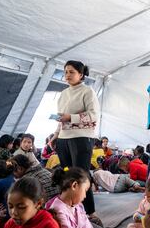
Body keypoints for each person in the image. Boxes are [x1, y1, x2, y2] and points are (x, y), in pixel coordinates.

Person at [51, 60, 100, 219]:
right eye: (65, 72)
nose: (67, 75)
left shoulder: (87, 91)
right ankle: (70, 209)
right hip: (63, 139)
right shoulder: (64, 93)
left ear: (81, 74)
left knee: (81, 176)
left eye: (71, 72)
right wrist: (55, 135)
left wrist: (70, 117)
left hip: (81, 138)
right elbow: (61, 117)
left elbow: (94, 116)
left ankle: (90, 212)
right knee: (67, 176)